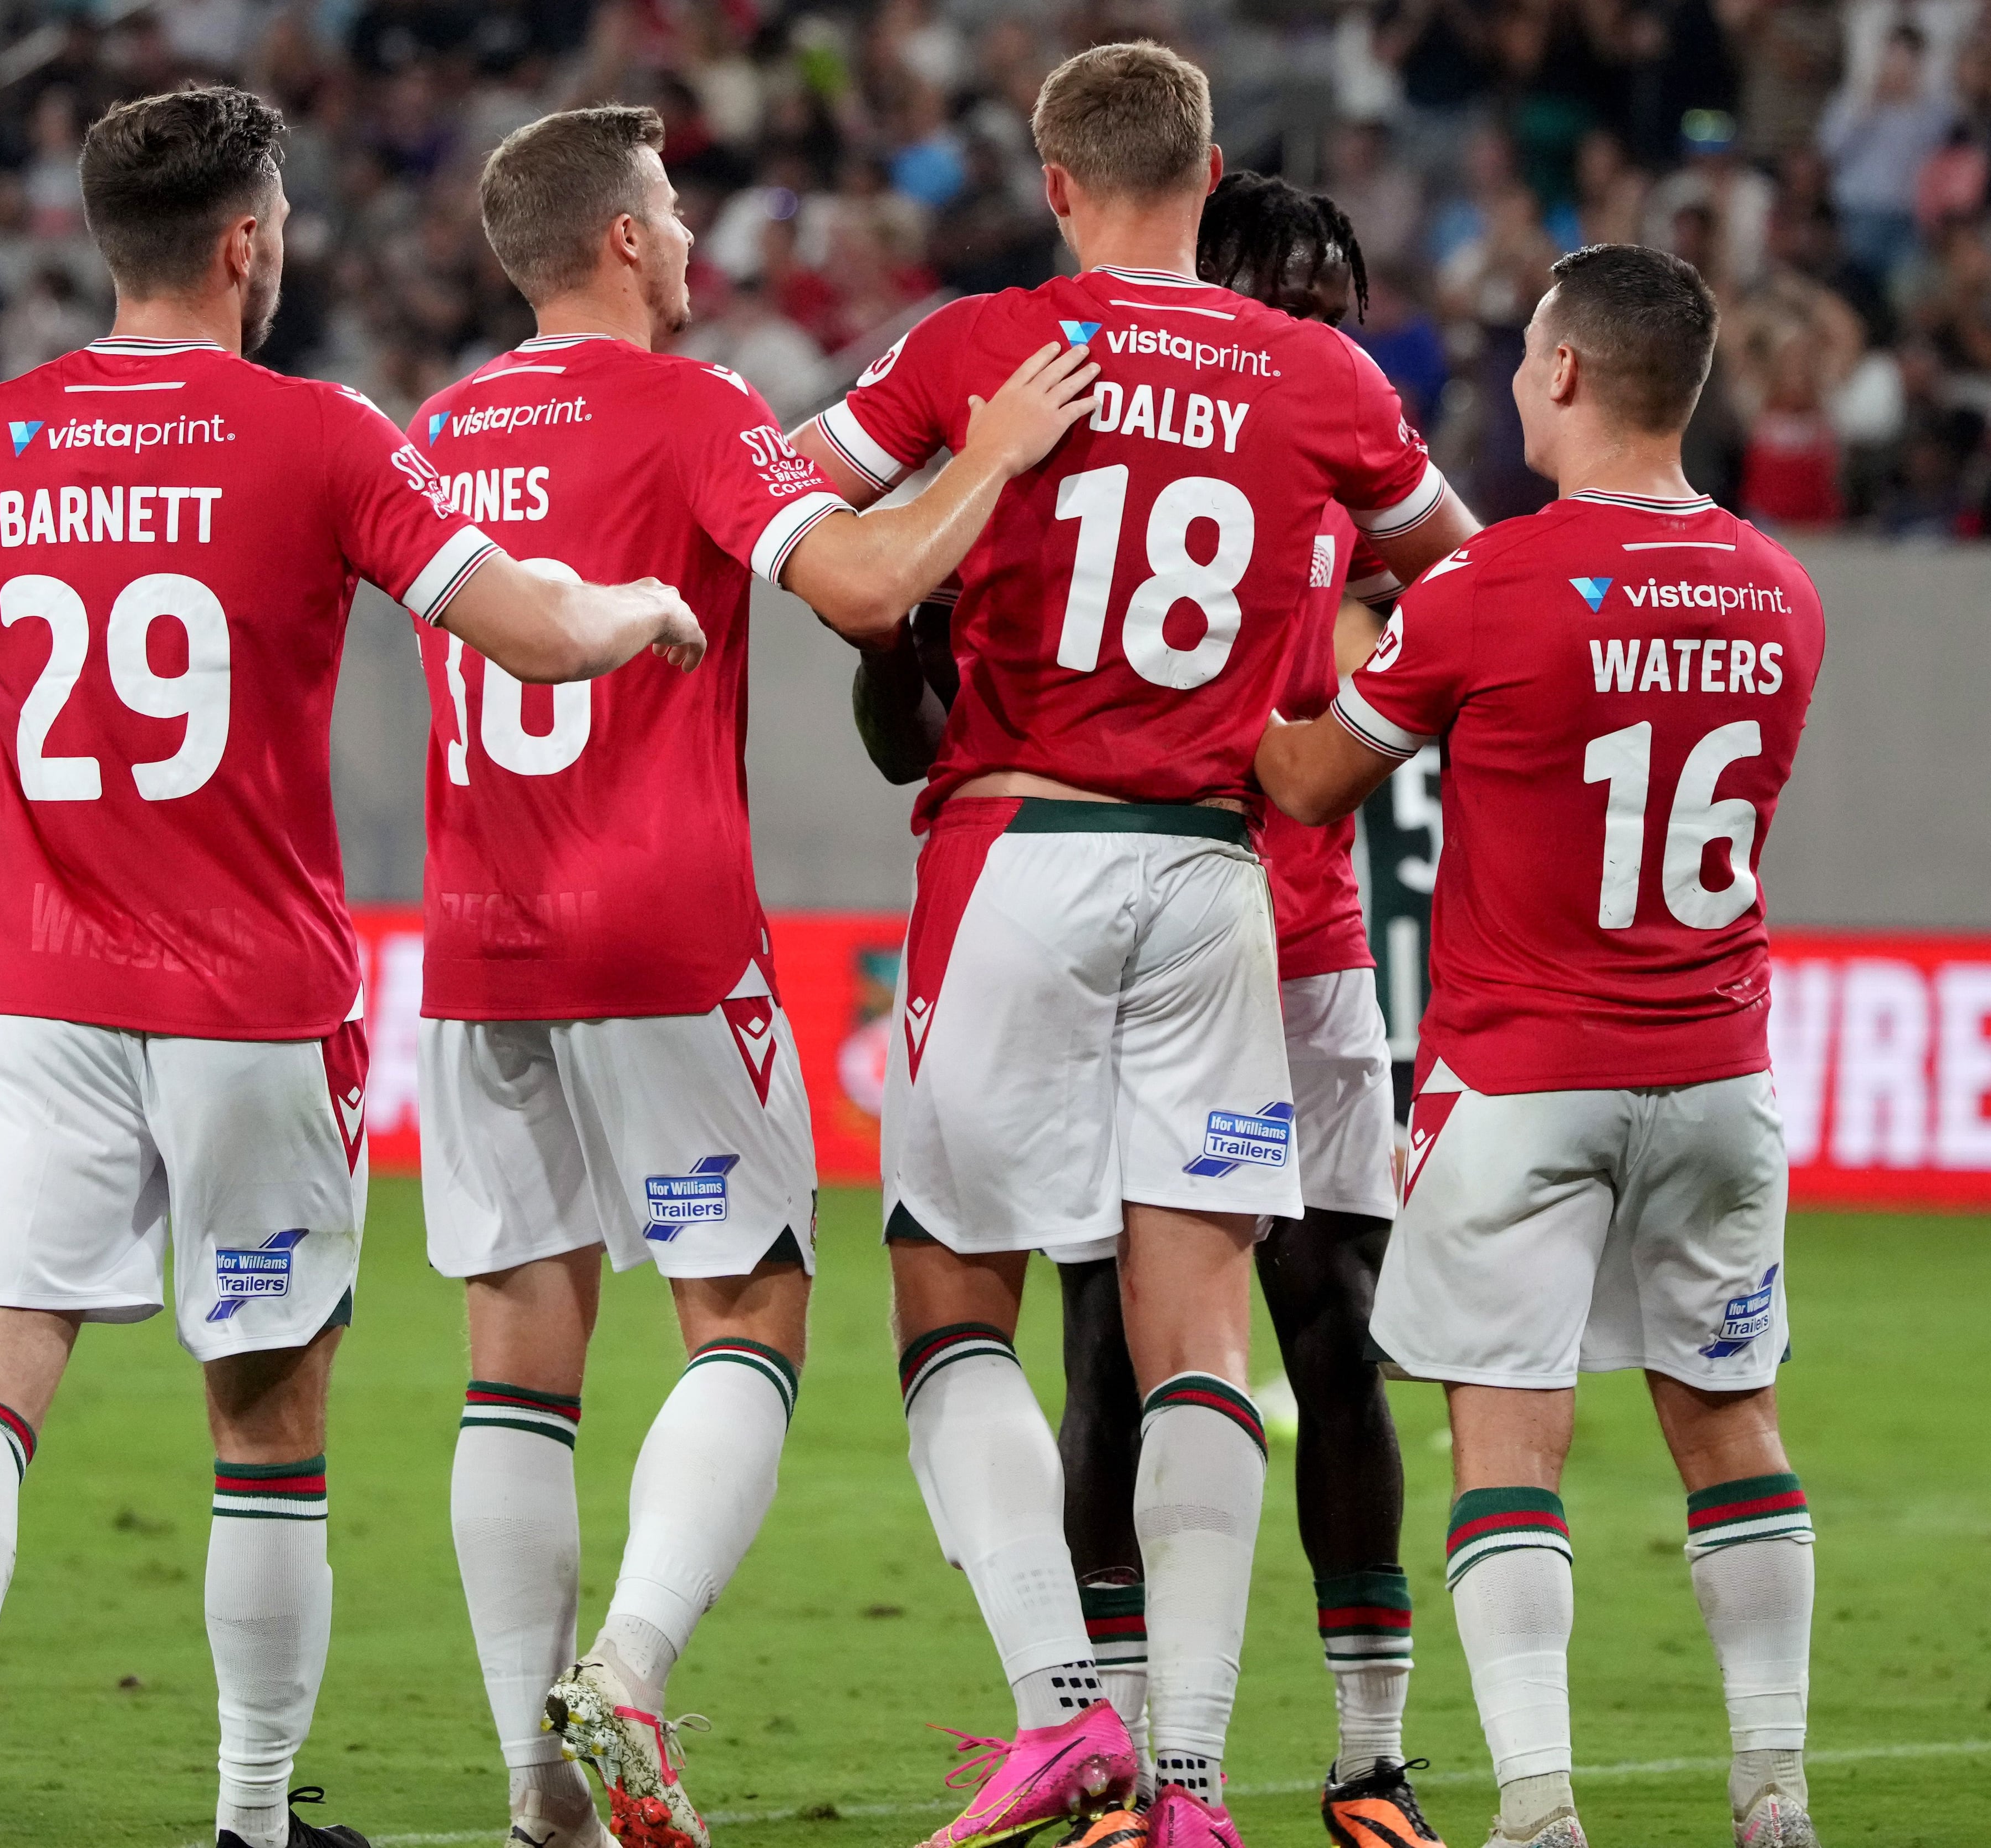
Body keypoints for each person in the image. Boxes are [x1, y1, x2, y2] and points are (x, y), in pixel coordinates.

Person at [0, 86, 705, 1848]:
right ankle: (253, 1816)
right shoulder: (316, 434)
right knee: (267, 1411)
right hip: (252, 1007)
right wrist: (644, 608)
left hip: (43, 999)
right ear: (246, 241)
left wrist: (45, 655)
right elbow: (535, 632)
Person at [790, 43, 1477, 1848]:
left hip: (1021, 837)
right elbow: (1465, 587)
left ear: (1059, 177)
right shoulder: (1323, 376)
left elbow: (787, 501)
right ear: (1213, 166)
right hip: (1215, 873)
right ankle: (1191, 1789)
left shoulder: (980, 344)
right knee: (1194, 1339)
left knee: (954, 1287)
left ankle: (1062, 1714)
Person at [421, 106, 1097, 1848]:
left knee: (518, 1350)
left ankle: (541, 1804)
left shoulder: (441, 428)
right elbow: (862, 577)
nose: (690, 231)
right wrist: (996, 454)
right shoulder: (695, 409)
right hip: (656, 932)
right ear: (625, 242)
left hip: (476, 938)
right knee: (745, 1312)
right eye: (668, 206)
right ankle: (626, 1671)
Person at [1257, 244, 1827, 1848]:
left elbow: (1308, 783)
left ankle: (1538, 1803)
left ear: (1568, 373)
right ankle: (1774, 1787)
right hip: (1719, 1074)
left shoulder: (1488, 583)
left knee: (1508, 1434)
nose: (1515, 378)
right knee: (1730, 1419)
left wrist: (1191, 684)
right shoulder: (1784, 590)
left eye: (1524, 355)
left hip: (1522, 1075)